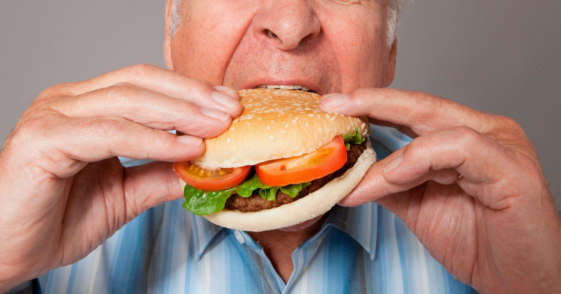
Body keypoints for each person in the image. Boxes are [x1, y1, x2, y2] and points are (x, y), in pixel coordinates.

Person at [1, 0, 560, 292]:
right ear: (173, 33)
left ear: (389, 51)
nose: (291, 23)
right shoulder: (54, 216)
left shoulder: (494, 224)